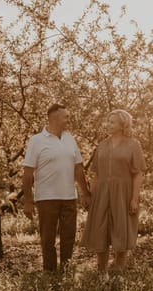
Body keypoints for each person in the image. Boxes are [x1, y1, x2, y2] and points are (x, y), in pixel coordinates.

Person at [22, 103, 91, 272]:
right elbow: (28, 173)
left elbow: (78, 168)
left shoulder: (70, 138)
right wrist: (28, 201)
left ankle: (66, 271)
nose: (69, 120)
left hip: (69, 197)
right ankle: (50, 273)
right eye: (65, 116)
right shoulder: (36, 141)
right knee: (48, 240)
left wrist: (85, 193)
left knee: (69, 237)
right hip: (46, 198)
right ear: (54, 117)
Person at [80, 109, 146, 275]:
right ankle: (101, 272)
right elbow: (96, 174)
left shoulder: (133, 145)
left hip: (123, 193)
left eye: (112, 122)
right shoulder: (102, 145)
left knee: (121, 230)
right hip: (101, 193)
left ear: (122, 124)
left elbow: (138, 173)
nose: (108, 125)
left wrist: (134, 199)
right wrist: (90, 196)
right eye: (108, 122)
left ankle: (118, 271)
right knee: (100, 231)